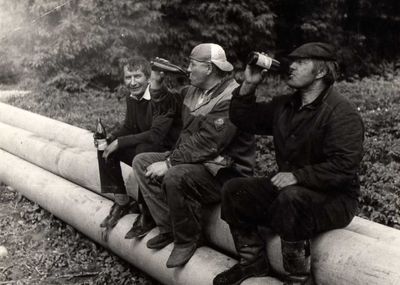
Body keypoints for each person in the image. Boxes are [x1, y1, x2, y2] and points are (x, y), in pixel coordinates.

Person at [213, 42, 364, 285]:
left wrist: (298, 176)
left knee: (291, 198)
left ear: (322, 72)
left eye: (300, 62)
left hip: (335, 200)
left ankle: (299, 279)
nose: (291, 67)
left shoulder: (341, 112)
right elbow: (243, 118)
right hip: (291, 191)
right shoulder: (286, 105)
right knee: (234, 189)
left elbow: (344, 167)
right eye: (292, 61)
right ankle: (253, 262)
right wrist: (249, 84)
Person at [130, 43, 256, 268]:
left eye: (193, 64)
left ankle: (188, 239)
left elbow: (209, 143)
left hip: (226, 171)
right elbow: (169, 107)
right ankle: (169, 227)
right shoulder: (193, 90)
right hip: (197, 162)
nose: (188, 69)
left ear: (209, 68)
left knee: (174, 175)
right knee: (142, 161)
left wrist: (169, 162)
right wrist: (157, 86)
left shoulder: (231, 97)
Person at [98, 56, 181, 237]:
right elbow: (129, 126)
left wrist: (121, 142)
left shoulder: (163, 98)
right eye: (128, 77)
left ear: (149, 77)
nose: (133, 82)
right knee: (105, 147)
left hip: (166, 152)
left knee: (142, 150)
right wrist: (112, 138)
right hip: (145, 148)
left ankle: (147, 212)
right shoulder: (133, 97)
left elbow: (155, 136)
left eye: (137, 77)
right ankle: (121, 201)